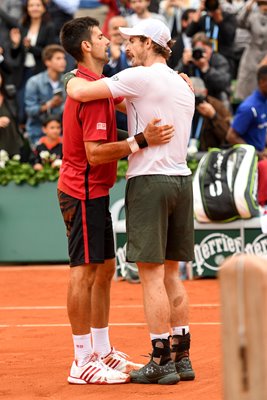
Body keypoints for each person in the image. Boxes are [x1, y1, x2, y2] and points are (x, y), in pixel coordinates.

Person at [66, 18, 195, 385]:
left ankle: (160, 359)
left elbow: (80, 92)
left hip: (150, 182)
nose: (125, 47)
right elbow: (127, 108)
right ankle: (182, 356)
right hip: (181, 181)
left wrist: (66, 78)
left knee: (151, 276)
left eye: (132, 41)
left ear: (149, 44)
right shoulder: (181, 85)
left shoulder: (141, 77)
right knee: (173, 275)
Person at [9, 0, 56, 124]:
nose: (34, 8)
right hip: (23, 72)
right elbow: (15, 54)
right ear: (27, 8)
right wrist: (15, 44)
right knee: (22, 108)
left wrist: (30, 47)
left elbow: (49, 52)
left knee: (39, 106)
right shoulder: (23, 26)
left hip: (40, 72)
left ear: (43, 8)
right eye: (31, 5)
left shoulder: (49, 26)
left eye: (37, 5)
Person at [24, 44, 66, 144]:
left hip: (61, 134)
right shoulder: (34, 82)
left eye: (63, 58)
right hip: (37, 133)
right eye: (58, 58)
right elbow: (30, 110)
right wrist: (49, 105)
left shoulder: (68, 81)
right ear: (47, 62)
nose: (63, 61)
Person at [177, 32, 232, 108]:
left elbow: (224, 83)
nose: (201, 54)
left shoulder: (219, 61)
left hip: (214, 102)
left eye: (204, 50)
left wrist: (206, 69)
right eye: (198, 51)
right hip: (193, 102)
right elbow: (174, 81)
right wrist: (183, 64)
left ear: (211, 49)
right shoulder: (190, 61)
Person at [226, 65, 267, 160]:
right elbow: (231, 136)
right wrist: (257, 154)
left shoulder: (264, 102)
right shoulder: (249, 107)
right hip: (247, 162)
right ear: (262, 82)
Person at [189, 76, 231, 152]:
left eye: (197, 97)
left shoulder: (216, 106)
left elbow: (228, 136)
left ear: (205, 92)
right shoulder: (181, 105)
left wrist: (214, 116)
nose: (195, 102)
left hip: (208, 152)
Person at [235, 0, 267, 100]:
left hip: (265, 55)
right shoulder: (253, 16)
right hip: (251, 56)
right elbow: (240, 22)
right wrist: (250, 3)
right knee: (247, 89)